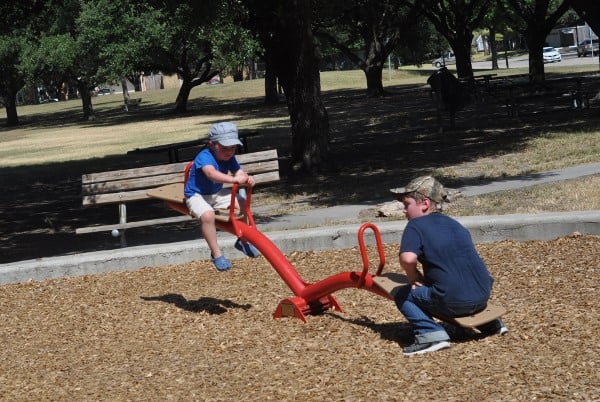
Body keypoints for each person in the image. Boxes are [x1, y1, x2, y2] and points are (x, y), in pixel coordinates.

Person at [390, 176, 507, 356]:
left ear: (424, 204)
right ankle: (491, 323)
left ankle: (430, 335)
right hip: (483, 296)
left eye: (407, 204)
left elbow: (407, 259)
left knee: (403, 294)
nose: (404, 211)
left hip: (453, 300)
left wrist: (412, 276)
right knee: (451, 283)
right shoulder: (454, 224)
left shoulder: (416, 225)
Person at [184, 122, 261, 271]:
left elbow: (239, 173)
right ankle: (216, 253)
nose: (229, 152)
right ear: (212, 144)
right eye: (225, 148)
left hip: (216, 194)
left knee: (243, 203)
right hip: (196, 195)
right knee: (207, 216)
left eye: (233, 148)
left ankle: (243, 241)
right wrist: (233, 180)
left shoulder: (230, 158)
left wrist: (247, 178)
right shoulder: (204, 156)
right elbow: (211, 174)